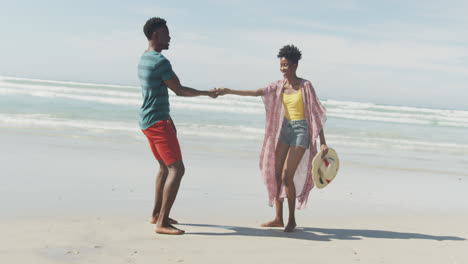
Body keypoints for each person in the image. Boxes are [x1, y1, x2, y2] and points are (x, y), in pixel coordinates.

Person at [215, 45, 328, 232]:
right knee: (277, 174)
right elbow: (258, 92)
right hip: (285, 129)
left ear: (295, 65)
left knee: (286, 175)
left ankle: (292, 219)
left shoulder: (305, 86)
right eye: (281, 65)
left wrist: (323, 142)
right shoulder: (279, 85)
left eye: (286, 65)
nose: (283, 69)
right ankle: (278, 218)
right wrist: (229, 91)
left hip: (302, 131)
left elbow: (316, 113)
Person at [138, 17, 217, 235]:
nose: (170, 37)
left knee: (164, 167)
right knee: (177, 169)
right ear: (156, 35)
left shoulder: (144, 58)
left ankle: (156, 214)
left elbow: (157, 93)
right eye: (166, 32)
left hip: (147, 120)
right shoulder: (159, 62)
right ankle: (161, 222)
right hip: (158, 123)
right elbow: (179, 89)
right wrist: (207, 94)